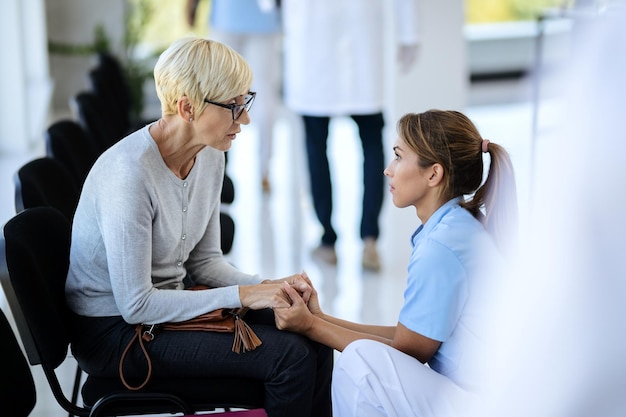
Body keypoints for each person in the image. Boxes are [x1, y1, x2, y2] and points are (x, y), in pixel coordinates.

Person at [64, 37, 333, 417]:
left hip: (166, 307)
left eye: (246, 102)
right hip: (116, 334)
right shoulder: (128, 175)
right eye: (234, 107)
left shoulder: (209, 156)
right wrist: (244, 295)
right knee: (289, 358)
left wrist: (271, 289)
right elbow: (136, 305)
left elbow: (205, 262)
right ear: (187, 107)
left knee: (311, 336)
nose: (246, 119)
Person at [274, 109, 518, 416]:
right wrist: (320, 319)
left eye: (399, 157)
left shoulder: (441, 246)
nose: (389, 170)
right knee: (364, 356)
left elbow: (407, 350)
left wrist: (310, 326)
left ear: (434, 174)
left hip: (488, 404)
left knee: (359, 363)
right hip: (488, 395)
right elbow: (407, 336)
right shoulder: (458, 225)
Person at [281, 0, 420, 271]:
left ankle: (327, 241)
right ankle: (370, 240)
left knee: (316, 149)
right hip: (361, 44)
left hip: (314, 41)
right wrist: (409, 33)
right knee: (371, 148)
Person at [187, 0, 282, 193]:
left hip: (227, 15)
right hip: (264, 16)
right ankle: (265, 170)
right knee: (264, 94)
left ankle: (214, 167)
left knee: (217, 93)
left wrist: (191, 7)